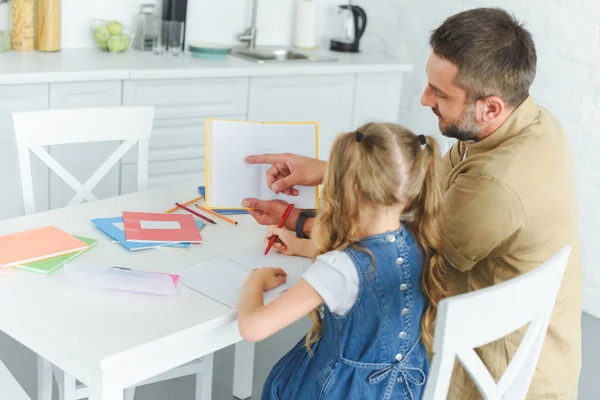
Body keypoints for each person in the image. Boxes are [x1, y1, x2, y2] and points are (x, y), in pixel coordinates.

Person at [243, 7, 582, 400]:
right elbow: (421, 198)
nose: (424, 100)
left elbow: (391, 254)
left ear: (490, 106)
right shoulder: (524, 121)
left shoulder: (496, 183)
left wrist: (301, 221)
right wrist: (336, 169)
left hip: (488, 368)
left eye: (440, 93)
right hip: (520, 340)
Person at [237, 123, 449, 399]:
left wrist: (253, 283)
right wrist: (302, 246)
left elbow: (253, 328)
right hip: (404, 390)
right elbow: (374, 264)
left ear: (340, 189)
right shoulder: (420, 239)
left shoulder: (339, 268)